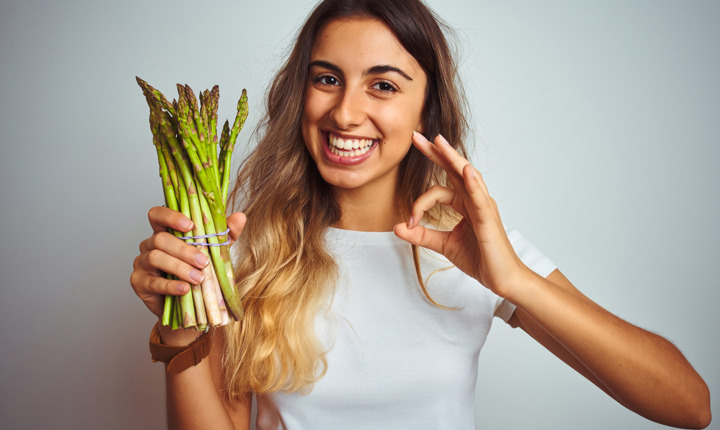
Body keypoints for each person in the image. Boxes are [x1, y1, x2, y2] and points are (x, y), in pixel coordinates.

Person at [130, 0, 712, 428]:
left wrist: (512, 282)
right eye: (327, 79)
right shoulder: (246, 249)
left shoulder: (477, 250)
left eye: (383, 85)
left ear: (424, 109)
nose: (346, 111)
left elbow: (689, 405)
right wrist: (179, 334)